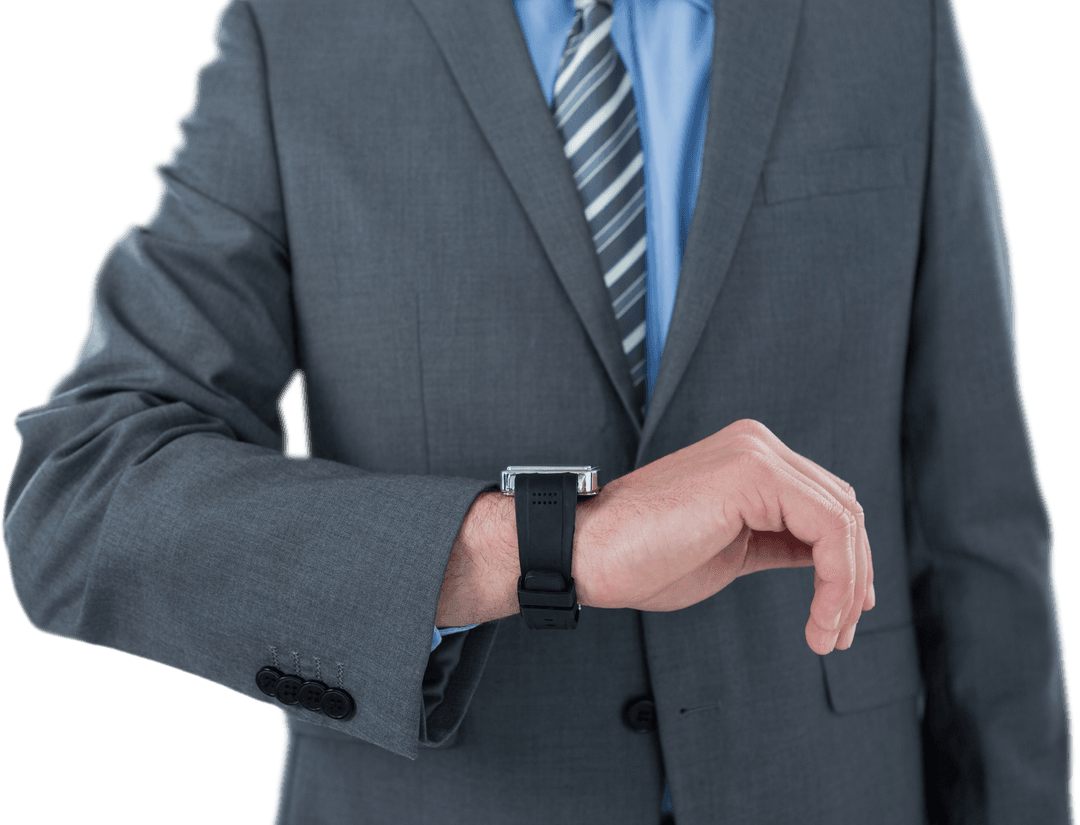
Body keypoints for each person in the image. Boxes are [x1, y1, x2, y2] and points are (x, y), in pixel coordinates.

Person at [2, 0, 1072, 821]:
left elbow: (980, 533)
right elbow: (81, 494)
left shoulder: (892, 24)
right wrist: (543, 547)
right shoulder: (302, 32)